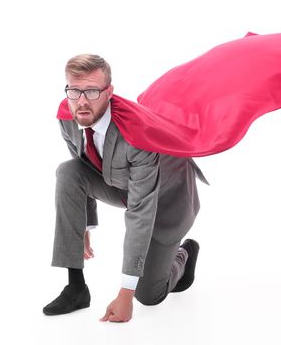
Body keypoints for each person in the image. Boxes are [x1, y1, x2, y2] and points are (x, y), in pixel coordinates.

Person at [43, 54, 208, 322]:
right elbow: (81, 166)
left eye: (93, 91)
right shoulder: (68, 115)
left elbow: (141, 212)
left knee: (148, 295)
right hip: (121, 184)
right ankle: (76, 288)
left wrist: (125, 293)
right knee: (67, 172)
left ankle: (183, 254)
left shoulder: (136, 138)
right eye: (74, 91)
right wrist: (83, 225)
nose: (82, 101)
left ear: (109, 92)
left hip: (169, 200)